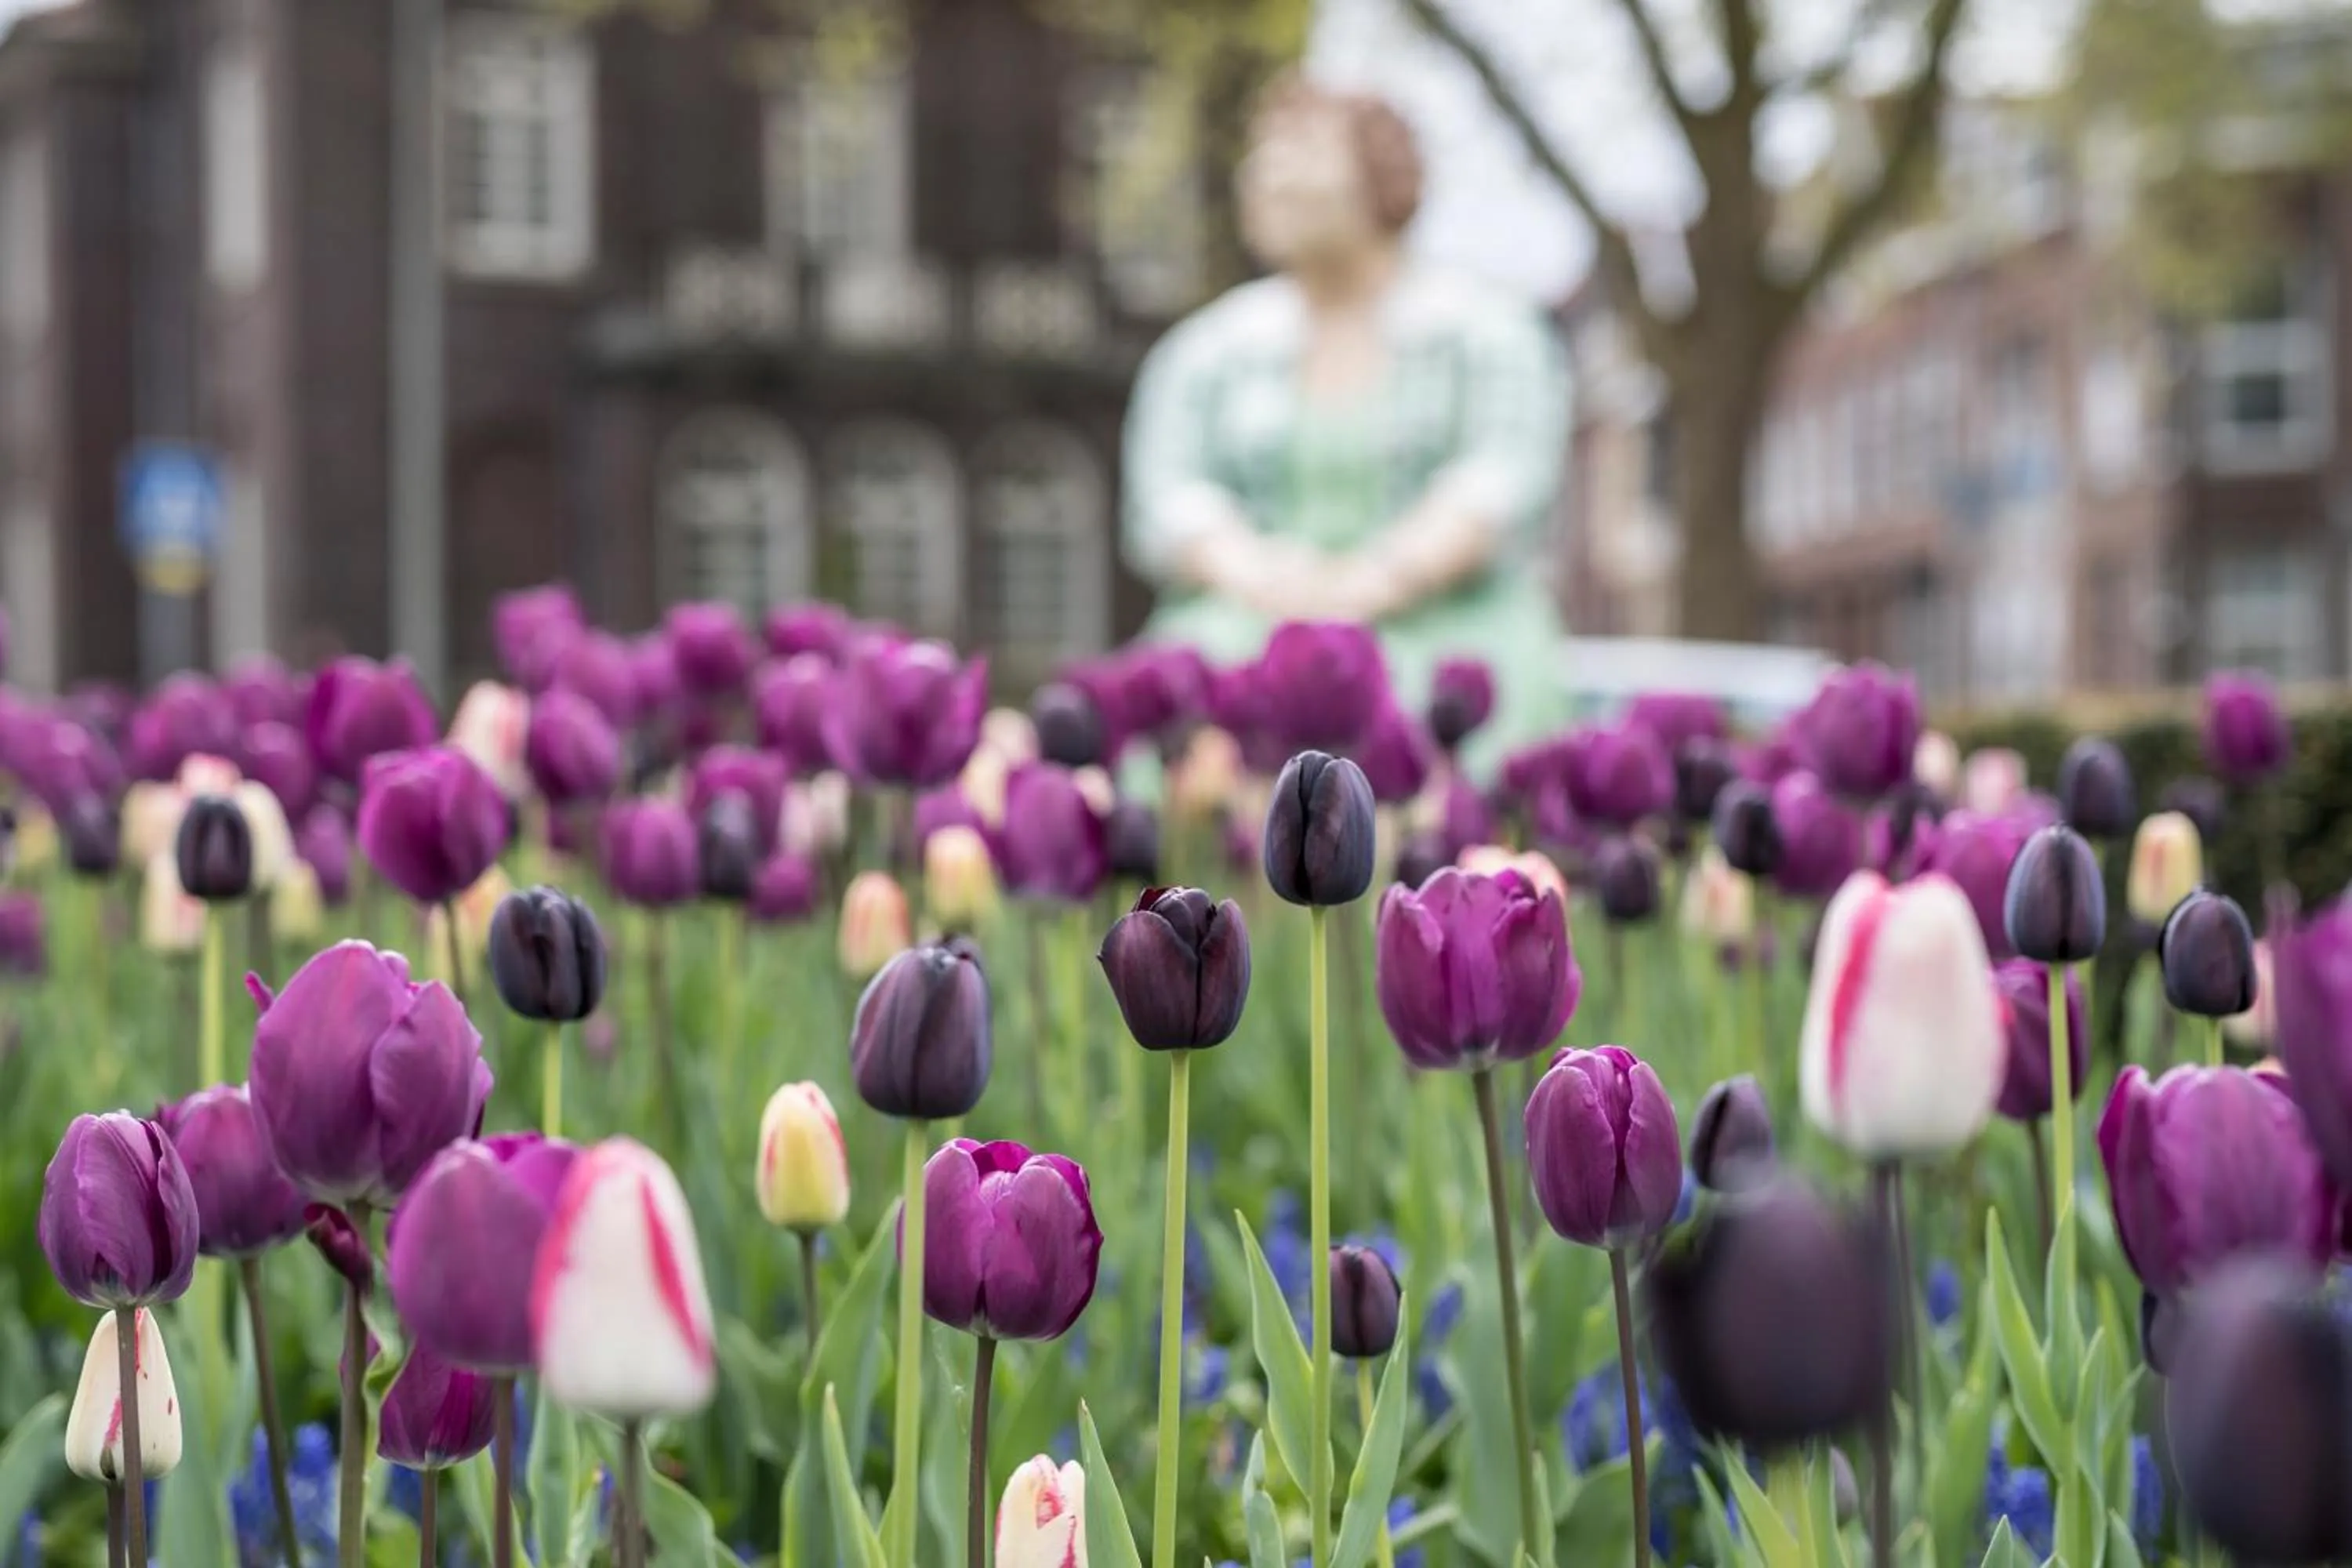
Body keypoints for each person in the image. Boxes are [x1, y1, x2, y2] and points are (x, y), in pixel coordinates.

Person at [1122, 75, 1570, 777]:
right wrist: (1265, 578)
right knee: (1185, 701)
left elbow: (1501, 479)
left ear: (1381, 172)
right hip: (1251, 618)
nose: (1269, 175)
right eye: (1261, 156)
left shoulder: (1490, 335)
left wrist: (1373, 582)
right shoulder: (1205, 352)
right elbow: (1171, 495)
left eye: (1301, 151)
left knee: (1443, 716)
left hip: (1442, 622)